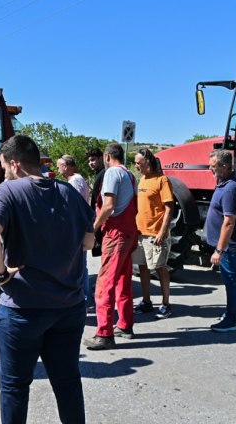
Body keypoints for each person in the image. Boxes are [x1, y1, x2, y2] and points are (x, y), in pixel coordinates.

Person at [0, 134, 94, 424]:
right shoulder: (70, 192)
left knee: (15, 388)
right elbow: (89, 242)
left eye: (4, 166)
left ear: (15, 164)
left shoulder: (7, 192)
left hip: (22, 309)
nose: (4, 172)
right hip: (68, 307)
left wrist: (0, 273)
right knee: (68, 384)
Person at [83, 143, 138, 350]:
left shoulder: (112, 173)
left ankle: (104, 333)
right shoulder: (129, 175)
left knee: (104, 284)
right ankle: (124, 324)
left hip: (116, 233)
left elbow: (108, 206)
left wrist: (93, 229)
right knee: (123, 280)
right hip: (129, 231)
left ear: (106, 156)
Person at [207, 149, 236, 333]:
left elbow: (229, 222)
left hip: (229, 246)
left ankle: (232, 319)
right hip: (228, 245)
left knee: (230, 279)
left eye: (213, 166)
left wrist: (219, 250)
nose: (210, 169)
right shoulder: (225, 182)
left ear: (224, 167)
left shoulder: (231, 188)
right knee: (230, 278)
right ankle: (235, 311)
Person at [133, 148, 175, 319]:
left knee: (160, 268)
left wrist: (162, 231)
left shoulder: (162, 180)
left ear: (147, 162)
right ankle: (146, 301)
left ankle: (166, 304)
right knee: (142, 267)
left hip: (155, 234)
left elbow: (169, 207)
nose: (136, 166)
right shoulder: (142, 180)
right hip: (140, 233)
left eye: (138, 163)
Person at [57, 154, 92, 303]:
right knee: (80, 265)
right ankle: (83, 297)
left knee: (77, 266)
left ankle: (82, 298)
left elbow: (73, 206)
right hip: (78, 228)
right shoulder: (76, 180)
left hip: (76, 229)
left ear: (66, 166)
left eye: (59, 166)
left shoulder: (75, 182)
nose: (58, 169)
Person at [86, 148, 106, 257]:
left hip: (102, 220)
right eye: (89, 161)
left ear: (101, 158)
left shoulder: (104, 173)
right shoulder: (99, 173)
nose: (90, 163)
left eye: (93, 160)